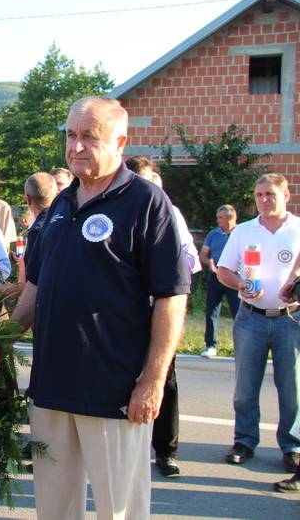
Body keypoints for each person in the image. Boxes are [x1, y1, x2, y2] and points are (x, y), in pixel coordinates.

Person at [12, 97, 190, 518]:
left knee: (120, 510)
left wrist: (152, 382)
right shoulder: (58, 205)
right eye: (70, 135)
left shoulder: (147, 203)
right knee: (54, 508)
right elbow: (34, 289)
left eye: (88, 137)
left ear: (120, 141)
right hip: (51, 388)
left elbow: (172, 297)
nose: (75, 147)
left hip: (114, 391)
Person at [216, 173, 300, 473]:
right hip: (250, 317)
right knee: (246, 386)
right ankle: (245, 440)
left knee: (292, 387)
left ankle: (292, 445)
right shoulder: (244, 231)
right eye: (259, 195)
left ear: (286, 196)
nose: (264, 200)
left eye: (270, 194)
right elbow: (223, 270)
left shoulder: (298, 229)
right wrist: (240, 284)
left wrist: (295, 283)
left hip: (290, 318)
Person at [126, 154, 201, 479]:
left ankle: (166, 452)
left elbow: (190, 261)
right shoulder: (112, 210)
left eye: (147, 181)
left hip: (158, 310)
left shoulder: (170, 213)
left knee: (163, 382)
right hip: (123, 317)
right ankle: (128, 454)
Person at [199, 205, 239, 358]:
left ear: (230, 218)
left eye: (220, 217)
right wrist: (210, 264)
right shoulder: (213, 234)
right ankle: (210, 345)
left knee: (238, 313)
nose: (218, 220)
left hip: (234, 277)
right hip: (215, 277)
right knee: (212, 311)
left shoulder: (240, 233)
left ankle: (239, 346)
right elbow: (203, 255)